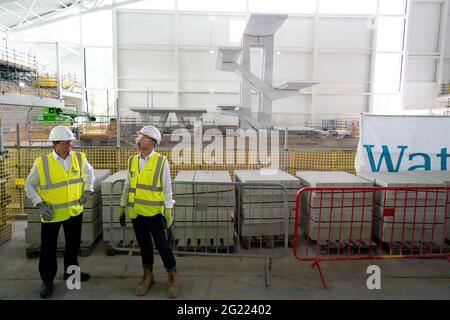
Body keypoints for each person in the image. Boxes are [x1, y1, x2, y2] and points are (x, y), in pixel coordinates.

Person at [24, 125, 95, 298]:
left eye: (70, 143)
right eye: (64, 143)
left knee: (72, 246)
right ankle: (47, 281)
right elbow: (29, 185)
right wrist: (40, 204)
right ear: (54, 144)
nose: (68, 146)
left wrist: (87, 190)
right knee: (48, 249)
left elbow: (90, 172)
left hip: (73, 211)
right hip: (51, 214)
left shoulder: (79, 158)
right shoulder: (42, 163)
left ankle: (71, 274)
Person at [119, 125, 179, 298]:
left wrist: (168, 211)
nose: (139, 140)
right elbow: (127, 185)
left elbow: (167, 190)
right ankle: (147, 275)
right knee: (144, 245)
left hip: (154, 213)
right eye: (139, 137)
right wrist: (122, 207)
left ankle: (172, 275)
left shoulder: (161, 162)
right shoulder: (132, 161)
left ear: (152, 142)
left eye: (143, 138)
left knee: (162, 246)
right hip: (136, 213)